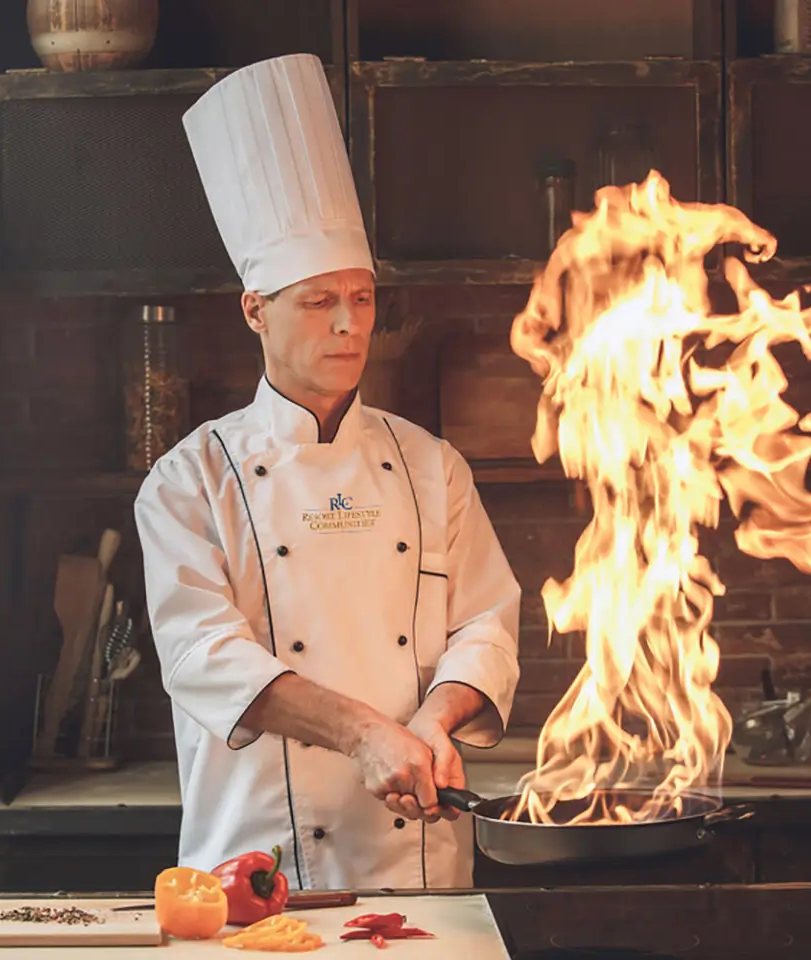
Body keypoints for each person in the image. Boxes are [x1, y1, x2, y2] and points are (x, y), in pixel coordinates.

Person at [133, 53, 521, 892]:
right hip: (258, 862)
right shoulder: (188, 479)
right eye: (318, 301)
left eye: (363, 298)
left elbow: (486, 622)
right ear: (254, 310)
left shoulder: (430, 464)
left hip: (420, 861)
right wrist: (365, 733)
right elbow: (203, 654)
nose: (349, 325)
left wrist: (432, 721)